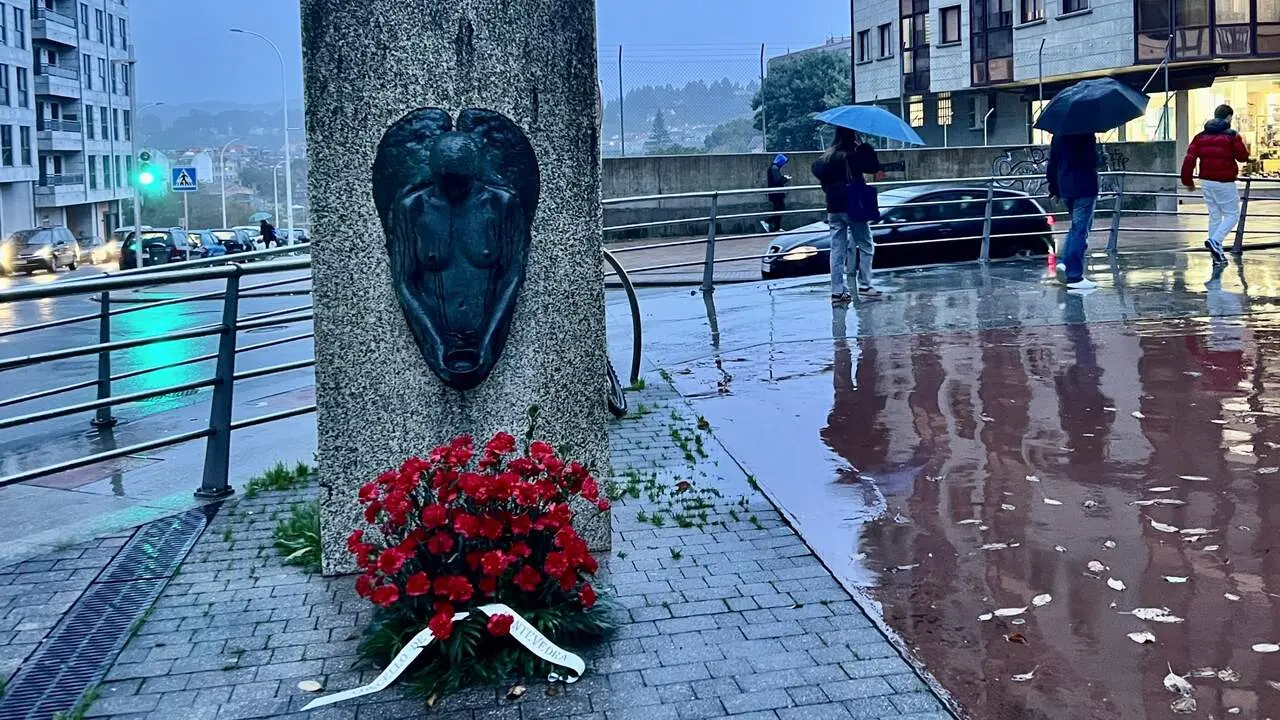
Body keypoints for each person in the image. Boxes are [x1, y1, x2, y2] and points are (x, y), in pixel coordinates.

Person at [812, 127, 882, 302]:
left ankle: (837, 290)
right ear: (852, 136)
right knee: (866, 244)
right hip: (853, 205)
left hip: (833, 207)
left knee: (837, 249)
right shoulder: (852, 155)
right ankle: (865, 284)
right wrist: (866, 148)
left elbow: (821, 176)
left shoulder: (828, 156)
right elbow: (873, 167)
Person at [1181, 104, 1250, 265]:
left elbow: (1189, 159)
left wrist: (1187, 181)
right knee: (1233, 214)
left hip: (1206, 181)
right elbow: (1242, 157)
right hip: (1225, 181)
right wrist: (1243, 143)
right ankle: (1216, 241)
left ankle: (1216, 254)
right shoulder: (1232, 136)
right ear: (1228, 117)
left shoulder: (1200, 136)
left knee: (1215, 216)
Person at [1047, 132, 1100, 290]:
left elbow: (1052, 165)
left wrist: (1054, 189)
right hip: (1085, 188)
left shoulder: (1058, 135)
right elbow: (1090, 161)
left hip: (1066, 189)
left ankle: (1064, 263)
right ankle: (1074, 276)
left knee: (1075, 229)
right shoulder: (1086, 134)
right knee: (1080, 231)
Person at [764, 153, 791, 233]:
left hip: (775, 193)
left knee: (778, 209)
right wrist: (785, 179)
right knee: (779, 209)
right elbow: (778, 181)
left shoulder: (773, 168)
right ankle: (768, 221)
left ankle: (776, 227)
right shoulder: (774, 168)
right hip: (776, 193)